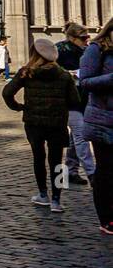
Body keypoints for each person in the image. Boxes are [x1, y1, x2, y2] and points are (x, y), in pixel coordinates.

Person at [3, 38, 81, 213]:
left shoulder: (26, 72)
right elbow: (75, 100)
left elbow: (7, 92)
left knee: (38, 158)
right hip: (57, 123)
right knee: (58, 162)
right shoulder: (63, 75)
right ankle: (57, 200)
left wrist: (18, 107)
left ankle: (43, 194)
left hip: (34, 122)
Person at [79, 17, 113, 235]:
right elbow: (85, 82)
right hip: (103, 120)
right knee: (107, 170)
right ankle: (107, 218)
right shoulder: (97, 50)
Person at [56, 22, 94, 187]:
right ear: (72, 37)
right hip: (68, 100)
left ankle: (71, 171)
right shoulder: (60, 49)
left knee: (75, 138)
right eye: (83, 38)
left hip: (83, 98)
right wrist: (68, 74)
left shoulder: (87, 51)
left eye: (87, 37)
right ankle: (93, 174)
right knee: (81, 136)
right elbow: (52, 69)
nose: (86, 40)